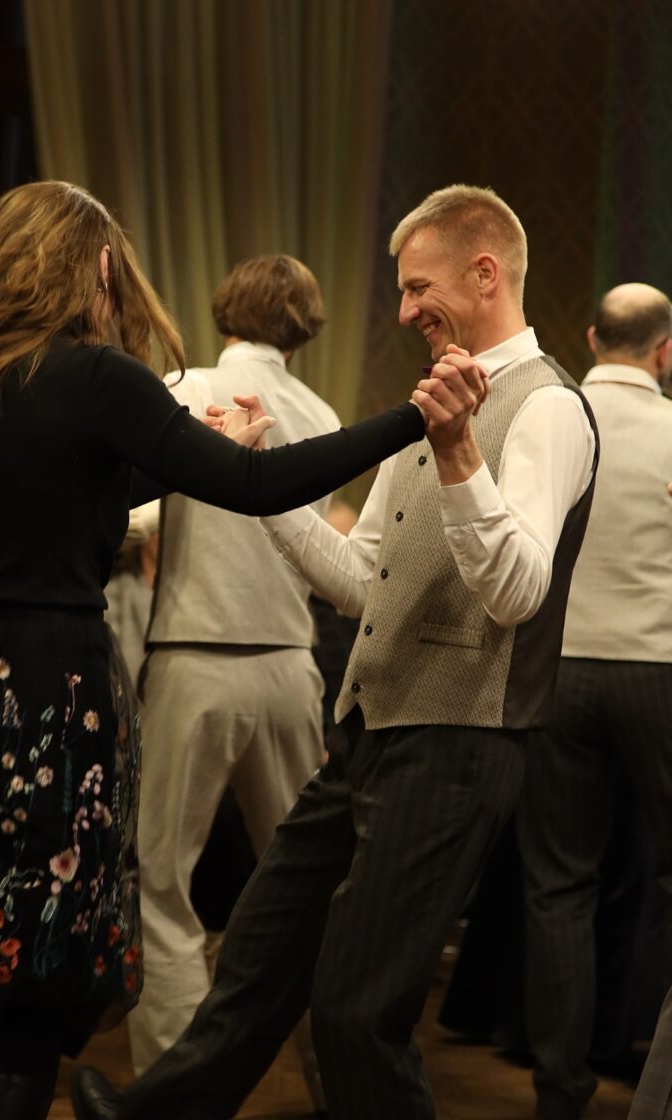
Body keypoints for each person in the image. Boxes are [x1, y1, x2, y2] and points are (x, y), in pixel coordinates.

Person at [72, 183, 598, 1120]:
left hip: (458, 742)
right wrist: (259, 481)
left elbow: (519, 593)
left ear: (485, 273)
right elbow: (363, 581)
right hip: (365, 729)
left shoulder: (548, 407)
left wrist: (459, 454)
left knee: (358, 1011)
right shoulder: (433, 400)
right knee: (260, 957)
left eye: (417, 287)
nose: (403, 311)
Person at [0, 179, 429, 1120]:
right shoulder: (97, 377)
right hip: (50, 684)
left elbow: (62, 493)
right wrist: (413, 416)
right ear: (99, 263)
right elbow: (257, 485)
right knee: (37, 970)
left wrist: (172, 452)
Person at [127, 254, 341, 1115]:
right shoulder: (319, 411)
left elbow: (136, 516)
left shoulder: (188, 389)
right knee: (306, 893)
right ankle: (337, 1077)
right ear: (305, 325)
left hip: (197, 656)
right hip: (290, 665)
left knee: (160, 884)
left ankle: (172, 1090)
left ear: (225, 309)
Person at [516, 283, 672, 1120]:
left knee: (558, 888)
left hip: (559, 670)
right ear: (665, 351)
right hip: (658, 667)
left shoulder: (551, 417)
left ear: (590, 337)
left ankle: (559, 1092)